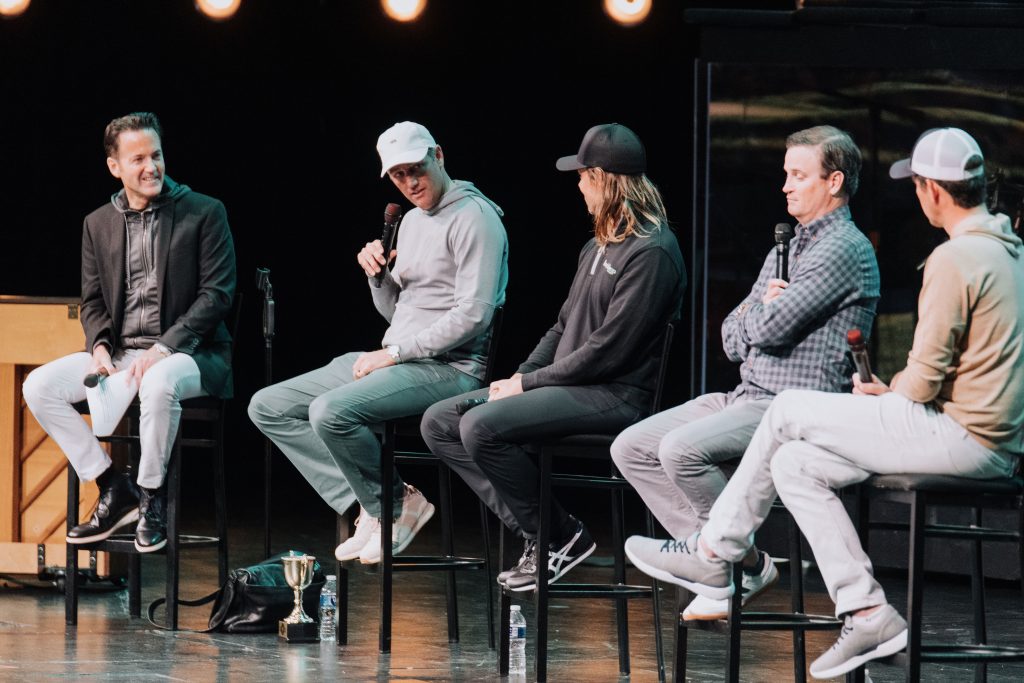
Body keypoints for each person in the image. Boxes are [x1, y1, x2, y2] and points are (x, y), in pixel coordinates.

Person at [625, 127, 1024, 678]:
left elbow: (926, 378)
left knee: (789, 410)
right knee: (795, 463)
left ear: (931, 190)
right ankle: (866, 610)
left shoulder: (956, 258)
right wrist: (897, 392)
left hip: (965, 437)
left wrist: (897, 392)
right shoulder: (1008, 251)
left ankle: (717, 555)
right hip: (980, 435)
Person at [611, 125, 880, 620]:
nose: (786, 186)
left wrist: (759, 315)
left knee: (682, 449)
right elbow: (730, 337)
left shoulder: (843, 247)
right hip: (747, 392)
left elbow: (769, 326)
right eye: (786, 175)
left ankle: (722, 561)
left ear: (834, 181)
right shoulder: (788, 246)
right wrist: (759, 316)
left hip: (795, 407)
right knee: (632, 446)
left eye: (798, 176)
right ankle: (739, 563)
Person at [421, 123, 686, 591]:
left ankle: (552, 538)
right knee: (441, 421)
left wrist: (527, 386)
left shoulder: (653, 253)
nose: (578, 186)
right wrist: (519, 377)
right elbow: (563, 327)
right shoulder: (597, 244)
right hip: (570, 385)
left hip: (614, 395)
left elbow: (608, 351)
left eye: (582, 176)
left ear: (603, 178)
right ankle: (545, 533)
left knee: (480, 426)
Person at [248, 121, 508, 565]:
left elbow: (475, 313)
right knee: (267, 406)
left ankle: (390, 505)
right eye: (397, 175)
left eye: (416, 169)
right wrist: (378, 278)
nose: (409, 182)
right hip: (399, 359)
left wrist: (393, 353)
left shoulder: (476, 218)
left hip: (450, 370)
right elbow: (397, 314)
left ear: (439, 156)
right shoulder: (408, 222)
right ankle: (374, 504)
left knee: (330, 411)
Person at [23, 112, 237, 553]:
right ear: (114, 166)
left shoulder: (204, 212)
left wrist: (164, 348)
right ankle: (111, 486)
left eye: (156, 155)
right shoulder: (97, 223)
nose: (151, 167)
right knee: (39, 385)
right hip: (122, 354)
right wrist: (100, 347)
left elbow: (217, 296)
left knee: (158, 379)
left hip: (191, 354)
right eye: (138, 158)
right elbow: (94, 300)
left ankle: (151, 498)